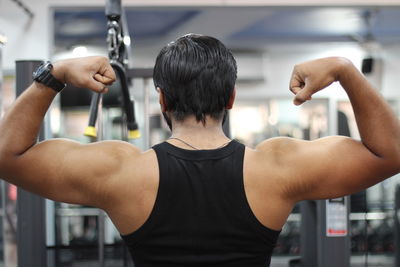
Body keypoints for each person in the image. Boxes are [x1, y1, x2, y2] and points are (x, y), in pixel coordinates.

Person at [0, 34, 399, 266]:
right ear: (230, 98)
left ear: (161, 101)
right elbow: (391, 153)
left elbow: (7, 155)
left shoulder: (121, 171)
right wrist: (345, 70)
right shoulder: (276, 167)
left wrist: (53, 75)